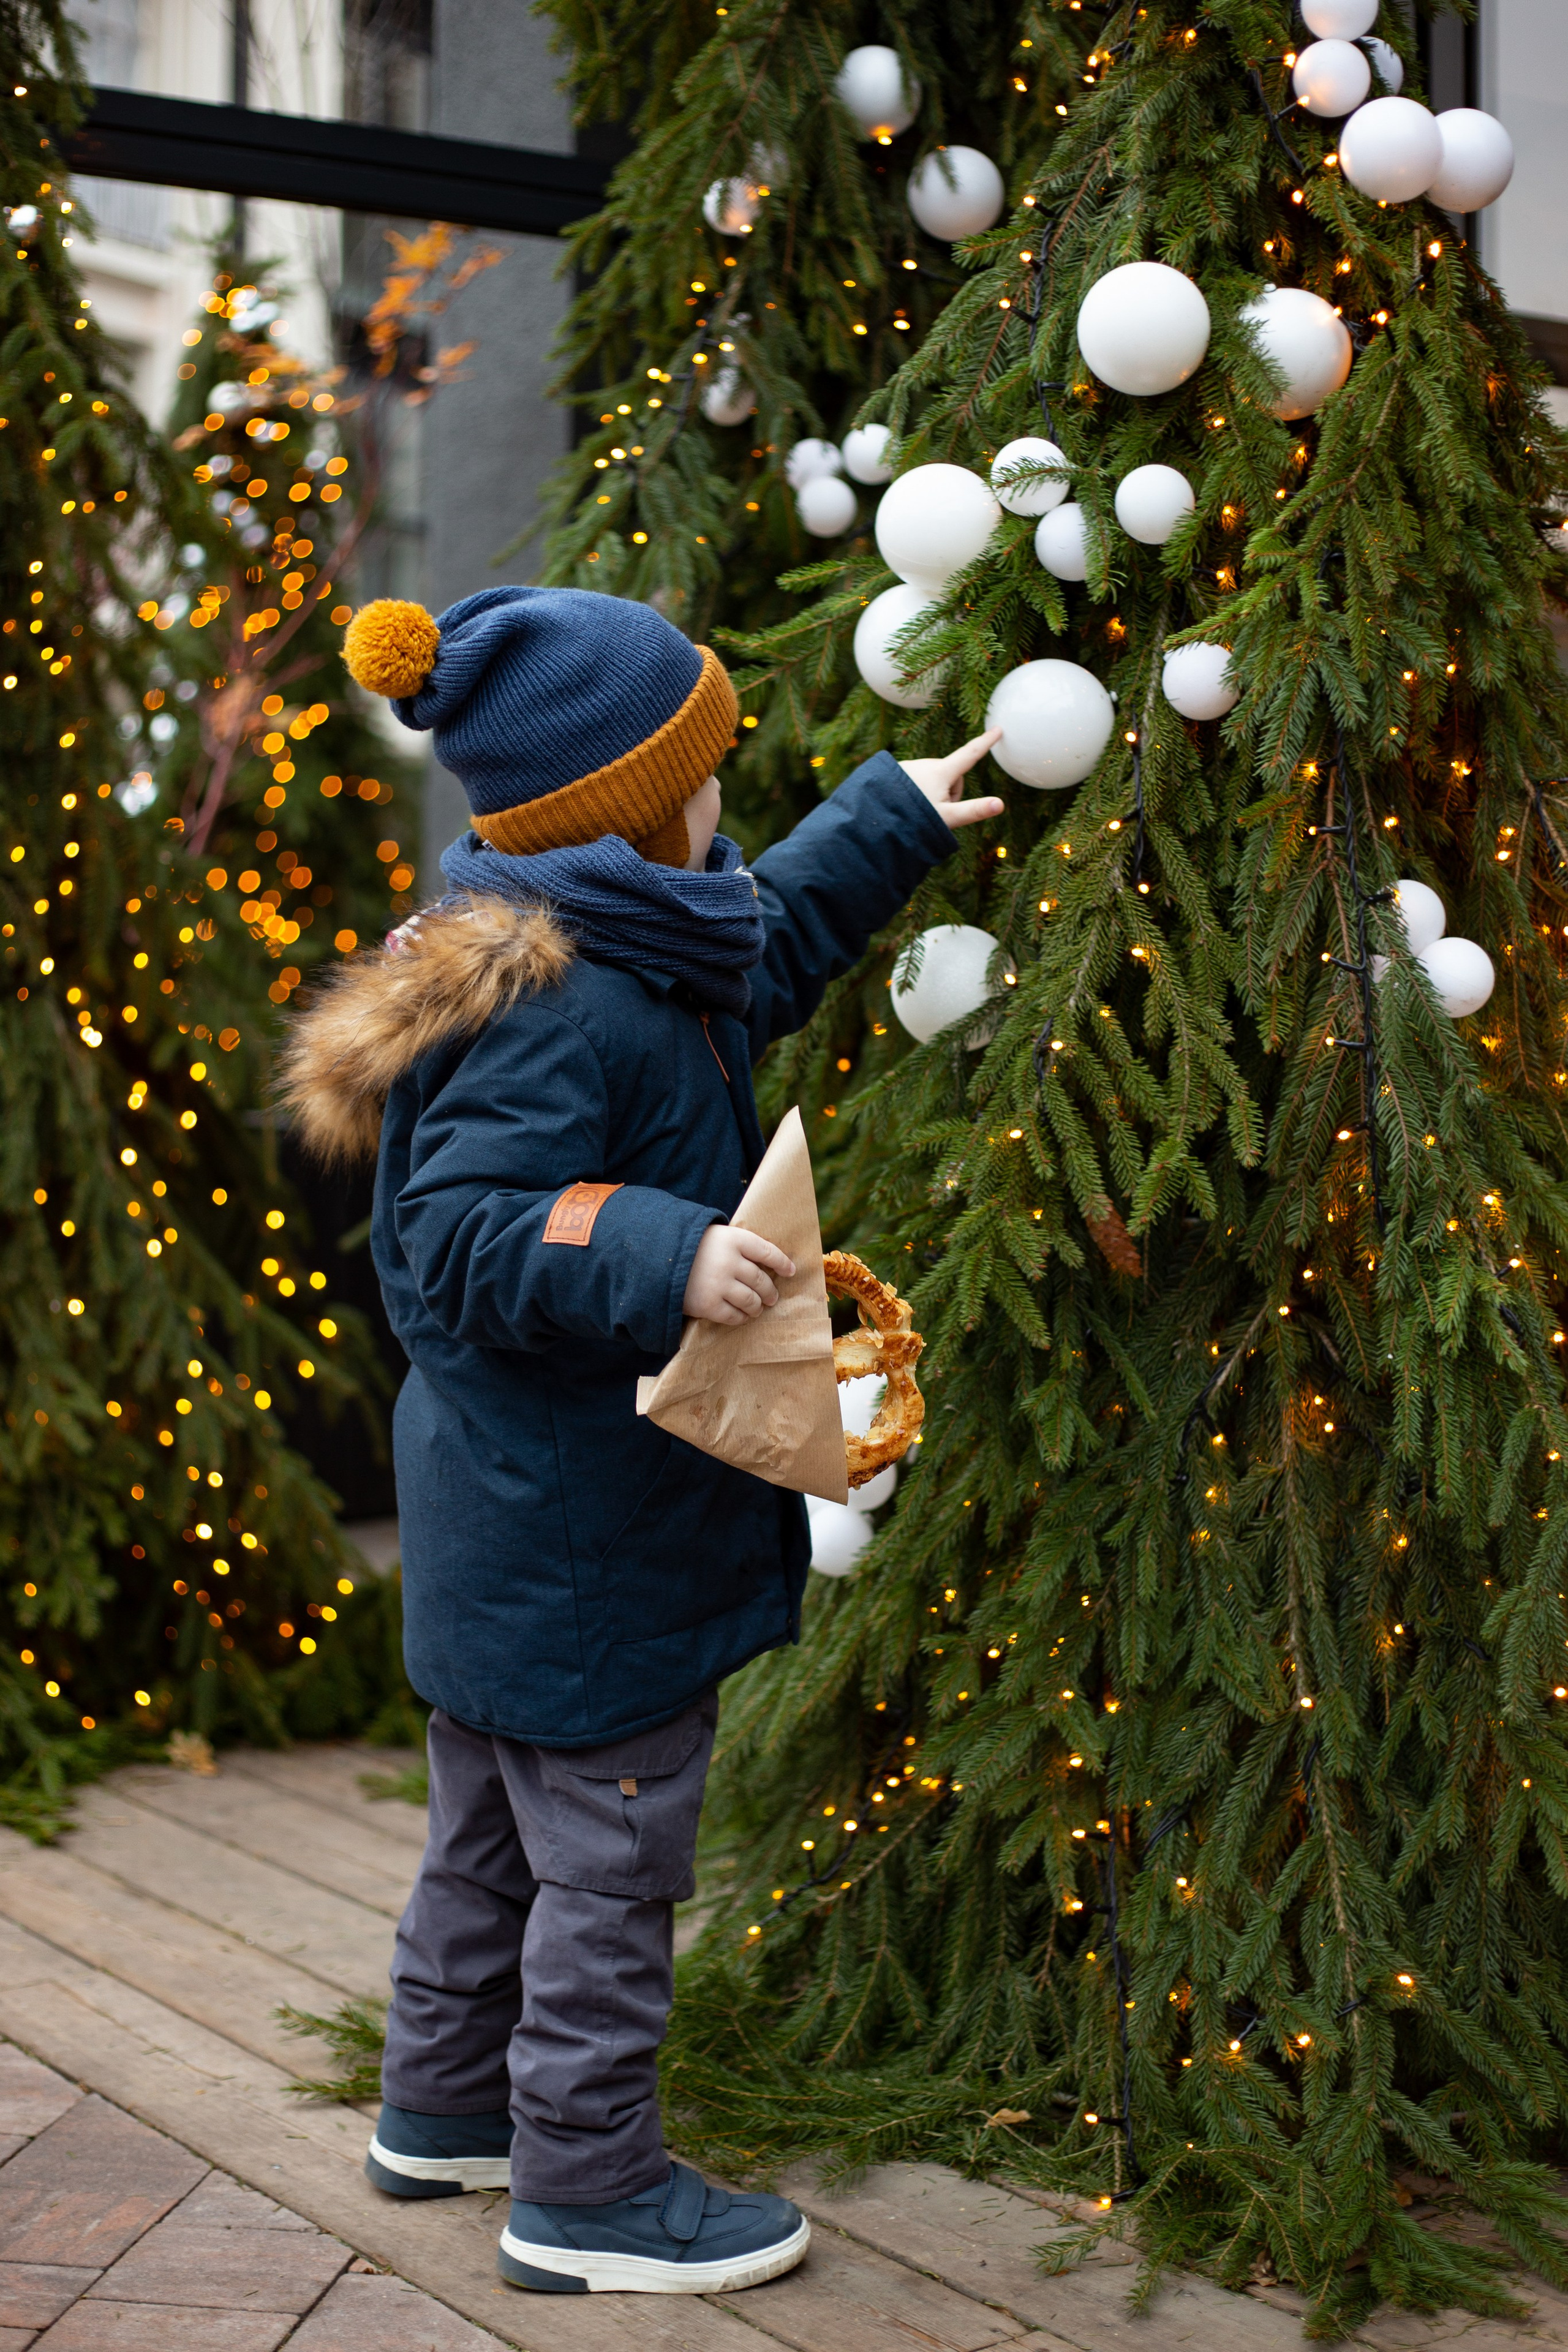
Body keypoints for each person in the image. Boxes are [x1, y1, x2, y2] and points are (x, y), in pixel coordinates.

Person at [284, 584, 1002, 2296]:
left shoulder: (622, 946)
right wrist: (656, 1249)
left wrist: (893, 817)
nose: (725, 803)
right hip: (581, 1544)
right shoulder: (555, 1007)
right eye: (706, 773)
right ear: (629, 805)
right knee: (606, 1872)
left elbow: (762, 947)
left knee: (484, 1841)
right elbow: (458, 1234)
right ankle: (587, 2189)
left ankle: (444, 2110)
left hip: (515, 1533)